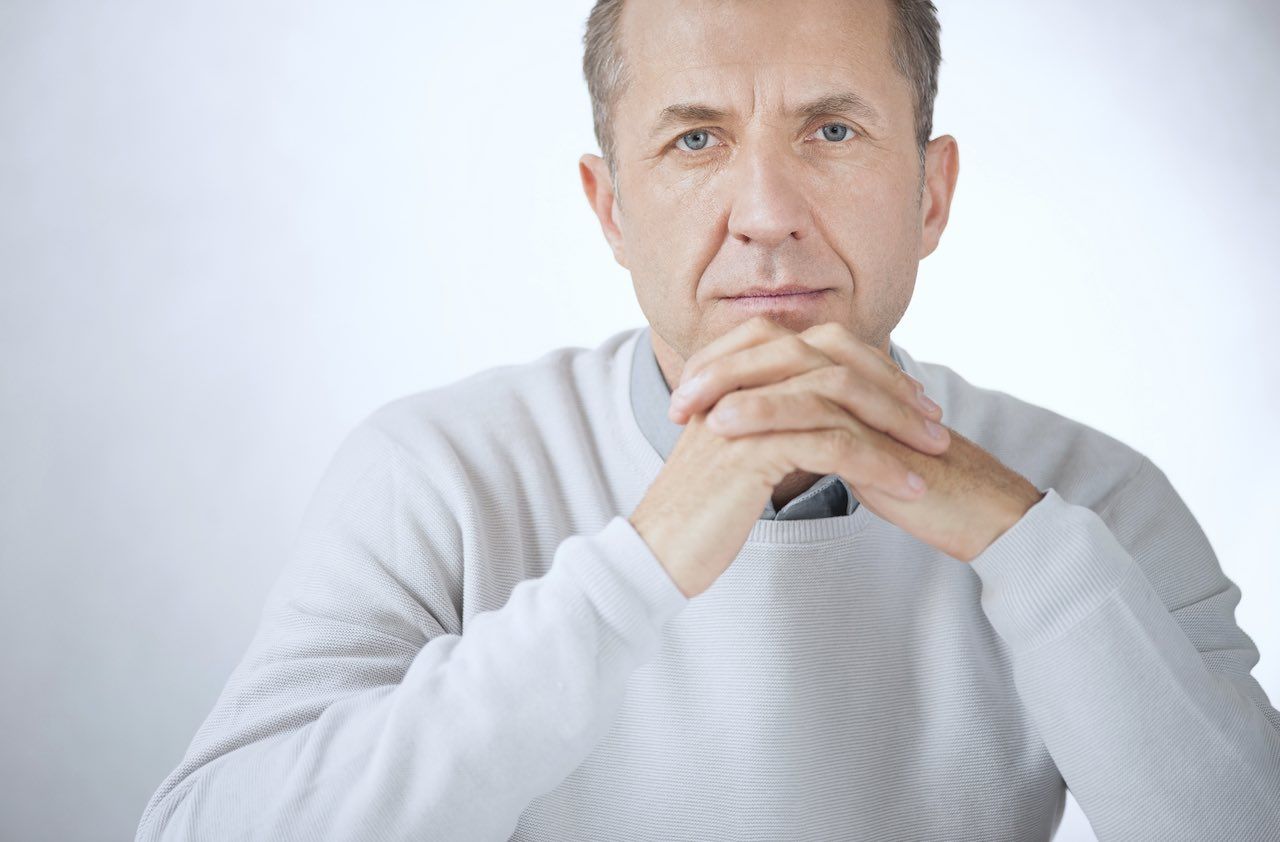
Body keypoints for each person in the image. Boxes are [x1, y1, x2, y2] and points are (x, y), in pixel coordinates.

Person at [136, 1, 1280, 839]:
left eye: (830, 131)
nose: (767, 216)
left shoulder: (1091, 501)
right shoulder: (433, 472)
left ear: (929, 194)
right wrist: (640, 562)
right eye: (695, 139)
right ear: (611, 207)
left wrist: (1020, 544)